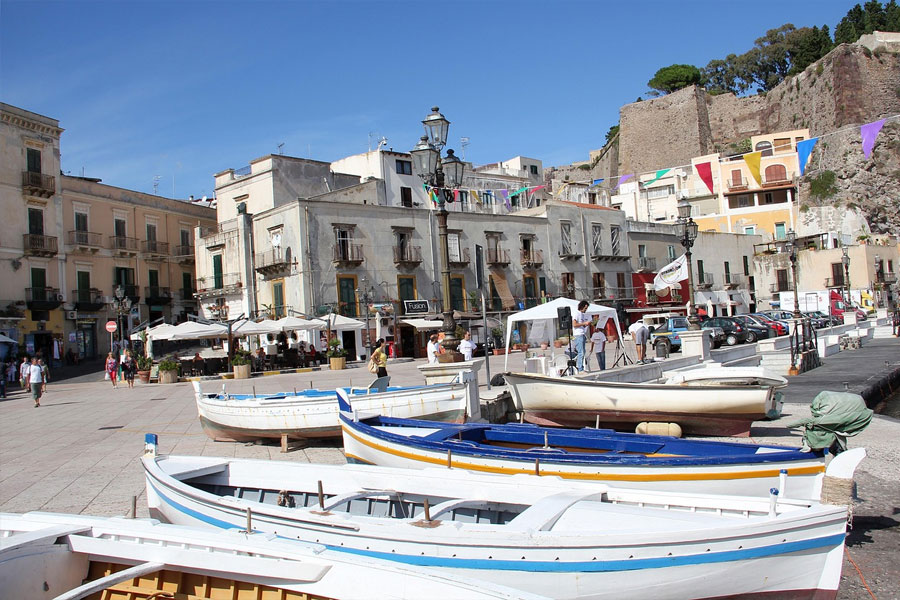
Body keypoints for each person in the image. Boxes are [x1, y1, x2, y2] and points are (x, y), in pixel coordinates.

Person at [571, 300, 591, 372]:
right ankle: (580, 368)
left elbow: (580, 325)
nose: (586, 310)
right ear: (582, 307)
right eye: (585, 308)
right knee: (581, 352)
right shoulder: (576, 313)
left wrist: (585, 325)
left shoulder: (582, 314)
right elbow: (574, 324)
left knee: (583, 352)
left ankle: (581, 367)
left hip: (582, 334)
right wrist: (584, 323)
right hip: (578, 334)